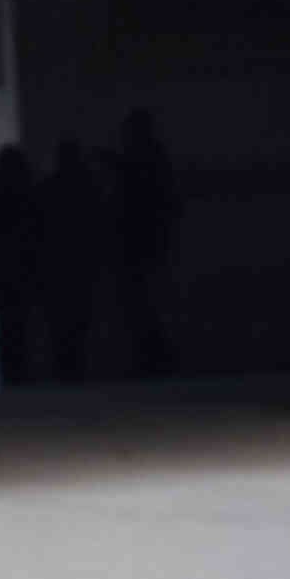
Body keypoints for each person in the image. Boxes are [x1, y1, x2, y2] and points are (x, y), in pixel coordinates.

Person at [107, 109, 178, 378]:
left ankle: (155, 362)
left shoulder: (145, 162)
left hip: (143, 245)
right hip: (145, 245)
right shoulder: (148, 161)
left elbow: (148, 198)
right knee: (144, 309)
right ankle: (153, 362)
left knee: (145, 308)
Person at [0, 145, 44, 385]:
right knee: (20, 321)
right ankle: (20, 370)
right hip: (21, 266)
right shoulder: (27, 196)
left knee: (6, 323)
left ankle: (10, 371)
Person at [36, 141, 104, 382]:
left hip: (60, 266)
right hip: (75, 265)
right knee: (74, 323)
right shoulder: (86, 188)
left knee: (63, 324)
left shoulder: (49, 188)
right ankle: (72, 370)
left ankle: (66, 370)